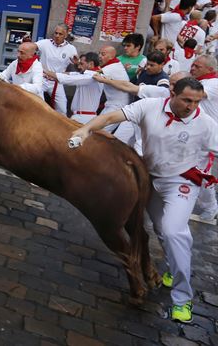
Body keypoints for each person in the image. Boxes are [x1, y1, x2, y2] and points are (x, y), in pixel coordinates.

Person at [71, 77, 218, 324]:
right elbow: (109, 117)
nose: (191, 106)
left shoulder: (205, 123)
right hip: (149, 179)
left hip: (181, 181)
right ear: (172, 93)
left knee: (173, 231)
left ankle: (183, 299)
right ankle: (174, 265)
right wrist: (85, 129)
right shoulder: (150, 106)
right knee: (161, 230)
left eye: (196, 101)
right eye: (186, 100)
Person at [189, 55, 218, 221]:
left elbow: (195, 94)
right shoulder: (200, 81)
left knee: (201, 173)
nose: (192, 68)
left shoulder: (214, 83)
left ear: (210, 69)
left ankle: (211, 206)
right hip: (192, 132)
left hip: (206, 137)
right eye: (192, 65)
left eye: (197, 66)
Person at [44, 52, 103, 124]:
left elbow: (67, 79)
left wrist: (44, 70)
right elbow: (69, 74)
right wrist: (51, 75)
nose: (79, 67)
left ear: (91, 64)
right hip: (81, 116)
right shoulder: (87, 74)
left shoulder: (92, 76)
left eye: (82, 64)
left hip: (83, 118)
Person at [34, 23, 78, 114]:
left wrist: (76, 63)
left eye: (60, 34)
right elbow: (32, 47)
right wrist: (27, 43)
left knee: (62, 109)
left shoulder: (71, 48)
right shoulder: (45, 43)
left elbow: (78, 66)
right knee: (38, 104)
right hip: (41, 79)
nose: (57, 36)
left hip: (57, 82)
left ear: (66, 35)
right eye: (56, 33)